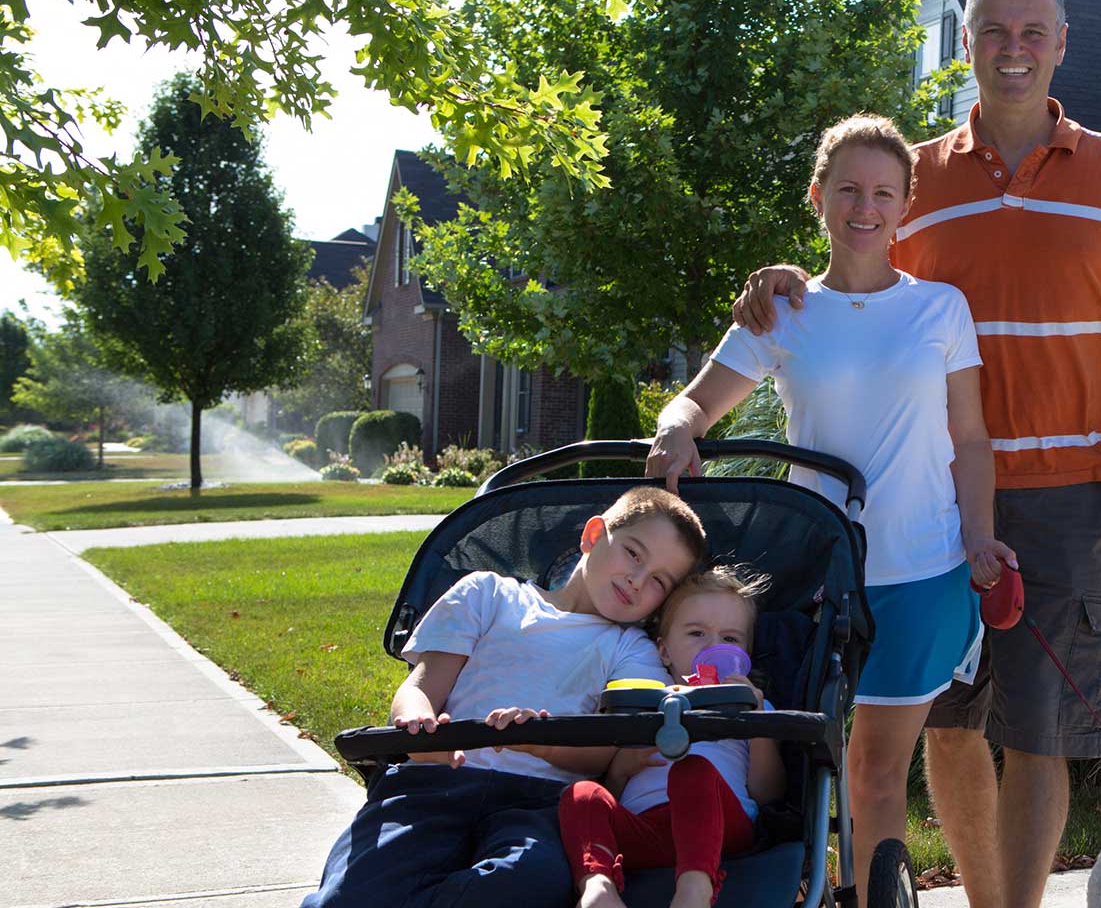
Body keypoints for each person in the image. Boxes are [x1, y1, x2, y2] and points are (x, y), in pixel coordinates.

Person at [733, 0, 1101, 908]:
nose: (1013, 49)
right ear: (968, 42)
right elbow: (850, 270)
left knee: (1040, 731)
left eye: (1033, 32)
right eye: (993, 30)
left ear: (1062, 44)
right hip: (930, 504)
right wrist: (780, 276)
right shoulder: (919, 178)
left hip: (1067, 489)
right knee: (946, 726)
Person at [648, 113, 1015, 903]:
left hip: (923, 572)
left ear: (905, 207)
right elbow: (693, 405)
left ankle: (869, 895)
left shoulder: (940, 309)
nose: (865, 206)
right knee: (814, 772)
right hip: (820, 581)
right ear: (818, 197)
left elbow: (972, 438)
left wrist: (981, 535)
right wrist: (674, 433)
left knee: (874, 770)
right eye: (847, 188)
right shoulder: (781, 310)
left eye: (884, 192)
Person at [303, 486, 707, 908]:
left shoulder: (631, 649)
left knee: (530, 882)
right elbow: (421, 687)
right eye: (633, 554)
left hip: (541, 802)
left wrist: (538, 741)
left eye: (659, 580)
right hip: (436, 781)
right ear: (592, 536)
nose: (637, 580)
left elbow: (607, 752)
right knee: (352, 892)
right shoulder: (488, 595)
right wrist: (417, 728)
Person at [557, 566, 783, 908]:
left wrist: (757, 721)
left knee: (692, 769)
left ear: (745, 656)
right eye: (696, 634)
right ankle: (599, 888)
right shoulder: (644, 696)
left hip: (722, 827)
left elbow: (767, 793)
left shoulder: (751, 702)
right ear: (664, 651)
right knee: (581, 795)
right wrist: (621, 770)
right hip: (643, 828)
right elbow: (611, 790)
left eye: (730, 639)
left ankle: (695, 889)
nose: (713, 647)